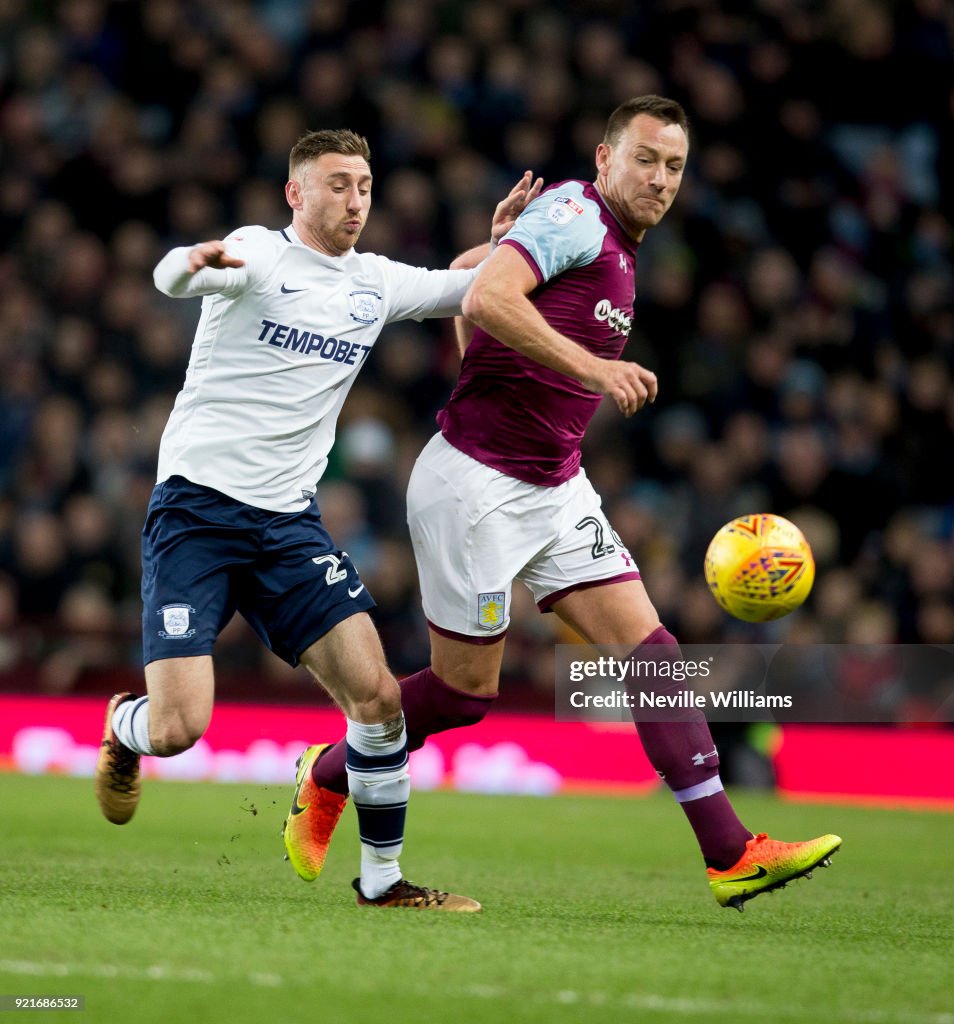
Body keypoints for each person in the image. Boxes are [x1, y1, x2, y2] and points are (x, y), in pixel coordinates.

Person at [295, 97, 841, 912]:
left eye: (674, 167)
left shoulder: (603, 238)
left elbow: (472, 288)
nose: (659, 179)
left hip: (553, 484)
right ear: (603, 158)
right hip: (471, 486)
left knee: (651, 653)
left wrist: (493, 246)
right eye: (645, 159)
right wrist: (593, 368)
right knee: (464, 693)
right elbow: (484, 302)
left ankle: (731, 853)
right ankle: (330, 769)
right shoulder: (578, 216)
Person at [93, 127, 542, 912]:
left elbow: (458, 288)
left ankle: (383, 881)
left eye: (364, 185)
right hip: (195, 512)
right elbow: (171, 279)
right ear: (297, 194)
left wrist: (502, 246)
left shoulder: (374, 283)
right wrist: (190, 262)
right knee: (178, 728)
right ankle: (124, 727)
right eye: (337, 183)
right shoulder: (258, 255)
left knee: (378, 699)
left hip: (286, 526)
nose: (355, 199)